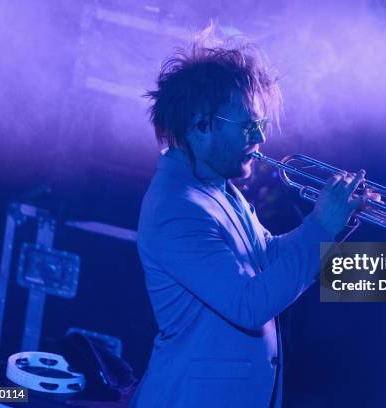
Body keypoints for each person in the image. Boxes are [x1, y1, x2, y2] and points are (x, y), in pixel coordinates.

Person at [130, 31, 368, 408]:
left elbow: (267, 256)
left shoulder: (217, 187)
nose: (259, 137)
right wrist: (320, 227)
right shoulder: (175, 209)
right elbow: (248, 304)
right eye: (247, 126)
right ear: (201, 125)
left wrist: (336, 223)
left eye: (260, 125)